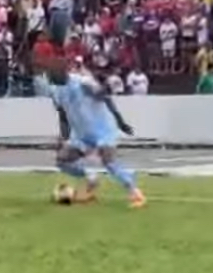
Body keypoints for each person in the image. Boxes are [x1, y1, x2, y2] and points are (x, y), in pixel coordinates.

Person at [36, 55, 145, 208]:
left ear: (63, 72)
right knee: (62, 160)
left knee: (109, 161)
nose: (50, 78)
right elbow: (63, 114)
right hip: (81, 136)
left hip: (102, 131)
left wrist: (119, 120)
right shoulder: (56, 91)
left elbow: (104, 97)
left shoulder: (82, 83)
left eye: (52, 74)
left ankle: (135, 193)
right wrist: (63, 136)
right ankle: (91, 178)